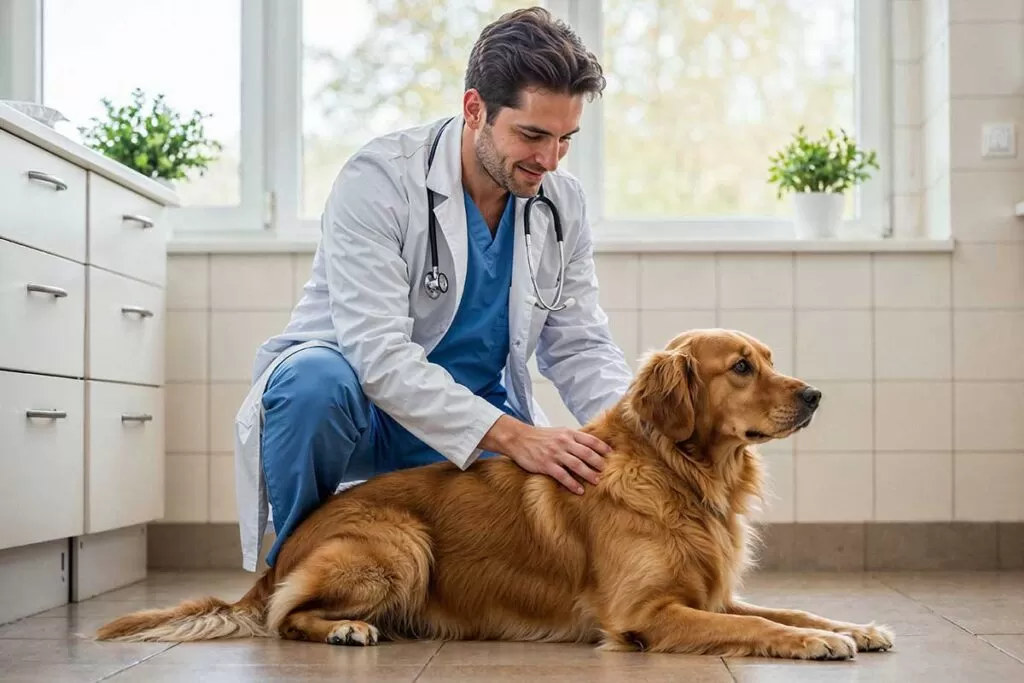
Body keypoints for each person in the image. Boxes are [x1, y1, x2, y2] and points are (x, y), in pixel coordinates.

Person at [233, 6, 634, 572]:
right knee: (310, 384)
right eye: (532, 135)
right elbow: (378, 355)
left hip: (472, 420)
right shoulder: (379, 179)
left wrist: (641, 429)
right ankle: (296, 575)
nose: (548, 159)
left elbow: (580, 345)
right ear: (475, 109)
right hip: (361, 413)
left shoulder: (561, 202)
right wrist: (515, 437)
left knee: (539, 540)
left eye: (565, 139)